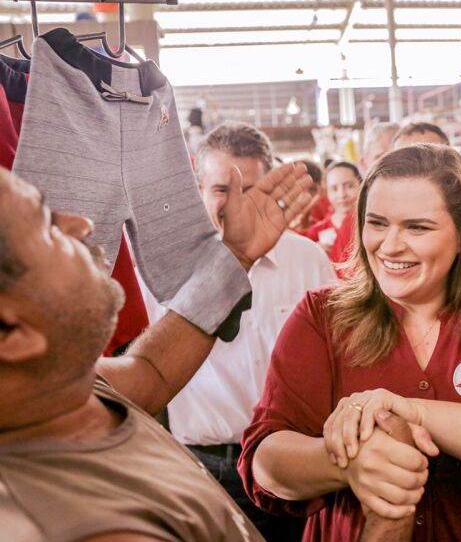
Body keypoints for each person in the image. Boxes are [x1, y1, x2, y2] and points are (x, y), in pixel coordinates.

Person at [239, 144, 461, 541]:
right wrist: (348, 465)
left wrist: (409, 410)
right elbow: (266, 461)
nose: (390, 245)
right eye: (378, 223)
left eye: (417, 227)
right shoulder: (321, 316)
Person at [0, 162, 312, 540]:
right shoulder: (94, 528)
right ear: (11, 331)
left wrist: (236, 255)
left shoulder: (57, 392)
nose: (80, 226)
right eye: (48, 229)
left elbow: (151, 370)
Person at [158, 122, 337, 541]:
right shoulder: (163, 268)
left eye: (252, 189)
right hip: (206, 470)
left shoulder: (308, 259)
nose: (237, 203)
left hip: (297, 467)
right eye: (222, 189)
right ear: (197, 188)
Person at [305, 161, 361, 264]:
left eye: (349, 186)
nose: (342, 195)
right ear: (327, 192)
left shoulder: (370, 225)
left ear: (361, 185)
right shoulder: (316, 232)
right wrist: (315, 252)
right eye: (334, 189)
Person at [291, 159, 332, 236]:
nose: (305, 194)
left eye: (312, 189)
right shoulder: (279, 210)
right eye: (300, 186)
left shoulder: (325, 206)